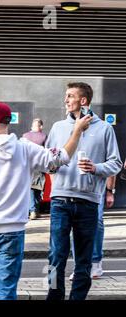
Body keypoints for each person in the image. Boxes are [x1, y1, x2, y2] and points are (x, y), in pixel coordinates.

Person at [0, 101, 91, 300]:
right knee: (6, 291)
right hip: (12, 232)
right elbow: (61, 157)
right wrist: (77, 131)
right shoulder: (25, 149)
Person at [45, 82, 122, 300]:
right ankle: (53, 296)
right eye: (66, 96)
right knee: (54, 258)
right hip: (60, 201)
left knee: (84, 261)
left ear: (83, 101)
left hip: (89, 203)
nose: (65, 100)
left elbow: (115, 163)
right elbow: (47, 160)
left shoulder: (105, 129)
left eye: (70, 96)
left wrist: (96, 168)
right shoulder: (58, 127)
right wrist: (53, 169)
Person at [22, 118, 48, 220]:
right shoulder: (44, 136)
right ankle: (33, 210)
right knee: (37, 188)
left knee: (31, 188)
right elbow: (47, 151)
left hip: (27, 165)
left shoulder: (25, 136)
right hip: (39, 166)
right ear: (40, 126)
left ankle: (34, 210)